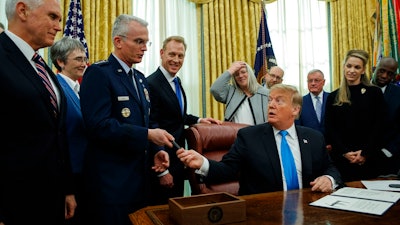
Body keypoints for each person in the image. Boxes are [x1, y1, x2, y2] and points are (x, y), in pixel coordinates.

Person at [79, 14, 174, 225]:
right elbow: (99, 127)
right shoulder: (99, 73)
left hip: (140, 181)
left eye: (146, 42)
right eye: (139, 42)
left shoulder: (140, 79)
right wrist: (149, 135)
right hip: (112, 185)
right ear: (118, 41)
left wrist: (158, 150)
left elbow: (148, 121)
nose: (145, 48)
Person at [177, 84, 343, 195]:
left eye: (279, 101)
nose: (271, 105)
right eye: (270, 100)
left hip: (307, 210)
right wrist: (203, 163)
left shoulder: (313, 138)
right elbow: (227, 170)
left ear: (295, 110)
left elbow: (330, 167)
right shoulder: (249, 137)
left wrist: (329, 179)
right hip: (263, 211)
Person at [0, 0, 76, 225]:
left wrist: (67, 189)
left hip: (50, 200)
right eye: (52, 17)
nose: (59, 27)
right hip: (13, 205)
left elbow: (57, 133)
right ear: (22, 10)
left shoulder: (40, 64)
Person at [147, 36, 222, 204]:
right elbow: (151, 126)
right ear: (161, 53)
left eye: (180, 56)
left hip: (179, 158)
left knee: (178, 209)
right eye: (172, 54)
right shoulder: (151, 83)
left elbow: (177, 116)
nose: (176, 60)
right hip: (163, 161)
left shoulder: (176, 81)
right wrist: (162, 172)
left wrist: (200, 119)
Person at [324, 49, 387, 182]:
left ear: (363, 70)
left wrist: (365, 153)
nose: (352, 70)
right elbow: (330, 128)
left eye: (357, 67)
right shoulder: (333, 96)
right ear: (344, 67)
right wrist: (345, 153)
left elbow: (379, 126)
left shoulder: (374, 93)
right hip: (342, 161)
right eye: (349, 66)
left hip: (368, 160)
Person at [50, 36, 88, 225]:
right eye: (78, 59)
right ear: (60, 62)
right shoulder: (57, 89)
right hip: (69, 176)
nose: (84, 63)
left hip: (84, 172)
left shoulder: (78, 88)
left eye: (84, 58)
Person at [210, 61, 269, 125]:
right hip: (235, 133)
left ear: (250, 73)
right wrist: (230, 70)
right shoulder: (231, 91)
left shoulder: (265, 93)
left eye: (243, 72)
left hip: (258, 133)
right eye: (236, 74)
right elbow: (215, 89)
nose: (240, 76)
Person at [371, 57, 400, 176]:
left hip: (389, 159)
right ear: (374, 69)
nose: (384, 76)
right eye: (381, 71)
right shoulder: (359, 89)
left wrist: (389, 151)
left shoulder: (398, 94)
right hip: (359, 158)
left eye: (390, 73)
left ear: (394, 76)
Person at [297, 69, 329, 135]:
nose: (313, 83)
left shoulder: (332, 99)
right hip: (309, 142)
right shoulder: (300, 101)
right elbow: (298, 126)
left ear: (323, 82)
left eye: (316, 80)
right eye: (310, 81)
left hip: (330, 143)